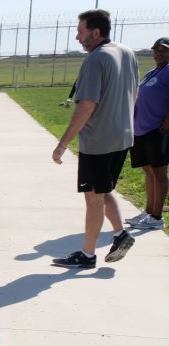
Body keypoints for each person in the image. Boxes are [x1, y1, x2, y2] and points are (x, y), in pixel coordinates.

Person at [52, 9, 139, 267]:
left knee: (93, 196)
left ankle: (88, 254)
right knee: (103, 189)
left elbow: (86, 106)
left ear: (96, 32)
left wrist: (62, 144)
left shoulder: (94, 60)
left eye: (81, 31)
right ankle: (121, 234)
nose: (78, 37)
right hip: (123, 135)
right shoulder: (127, 51)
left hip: (99, 141)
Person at [124, 36, 169, 231]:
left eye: (163, 50)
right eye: (156, 49)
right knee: (148, 170)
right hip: (141, 128)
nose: (158, 53)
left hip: (157, 130)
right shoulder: (153, 72)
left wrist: (165, 125)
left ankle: (157, 217)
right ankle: (149, 212)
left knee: (159, 172)